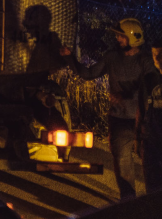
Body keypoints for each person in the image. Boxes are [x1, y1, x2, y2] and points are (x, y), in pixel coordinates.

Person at [61, 18, 156, 200]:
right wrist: (69, 57)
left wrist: (128, 94)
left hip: (143, 121)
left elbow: (150, 84)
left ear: (132, 37)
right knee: (122, 164)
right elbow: (89, 74)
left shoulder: (145, 60)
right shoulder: (112, 57)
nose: (118, 39)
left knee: (150, 164)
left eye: (121, 36)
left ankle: (152, 204)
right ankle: (128, 203)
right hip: (119, 120)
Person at [140, 38, 162, 194]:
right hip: (151, 136)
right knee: (151, 180)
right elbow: (141, 106)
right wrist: (138, 133)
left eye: (160, 54)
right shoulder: (149, 78)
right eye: (154, 54)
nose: (157, 58)